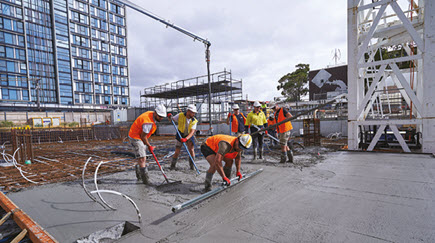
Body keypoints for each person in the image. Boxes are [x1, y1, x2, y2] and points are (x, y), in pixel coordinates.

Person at [128, 104, 166, 185]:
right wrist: (149, 146)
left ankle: (139, 175)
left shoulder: (151, 115)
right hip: (135, 136)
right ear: (155, 113)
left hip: (138, 135)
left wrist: (148, 145)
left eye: (162, 117)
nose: (161, 118)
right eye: (160, 116)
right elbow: (143, 136)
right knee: (142, 158)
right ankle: (146, 181)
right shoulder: (148, 122)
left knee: (141, 155)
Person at [168, 104, 198, 170]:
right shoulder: (180, 115)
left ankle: (192, 166)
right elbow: (172, 120)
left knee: (191, 150)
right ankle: (172, 166)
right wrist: (170, 117)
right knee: (177, 151)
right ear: (188, 111)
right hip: (180, 134)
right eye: (193, 113)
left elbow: (192, 132)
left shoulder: (194, 120)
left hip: (189, 135)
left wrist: (186, 139)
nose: (194, 114)